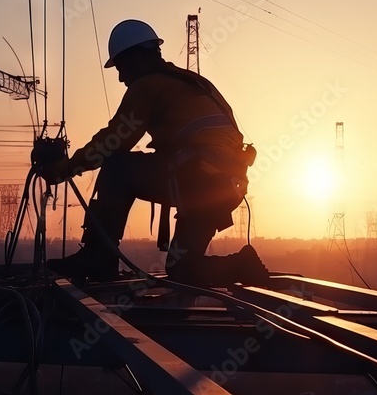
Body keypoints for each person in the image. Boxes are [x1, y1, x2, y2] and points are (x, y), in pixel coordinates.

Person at [40, 19, 268, 285]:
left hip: (198, 181)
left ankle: (97, 256)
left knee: (117, 167)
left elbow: (114, 141)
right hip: (219, 190)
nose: (121, 77)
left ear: (136, 57)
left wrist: (65, 168)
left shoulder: (149, 85)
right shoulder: (192, 83)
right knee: (183, 270)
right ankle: (242, 264)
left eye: (121, 67)